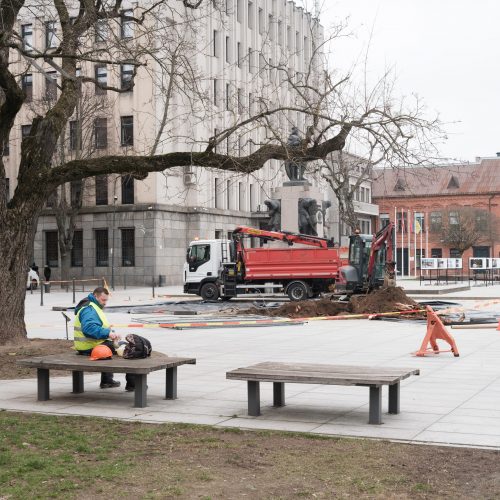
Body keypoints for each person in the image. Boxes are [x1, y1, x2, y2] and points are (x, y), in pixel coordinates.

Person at [74, 287, 135, 391]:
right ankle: (134, 384)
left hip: (88, 345)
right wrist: (108, 333)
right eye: (103, 300)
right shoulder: (90, 309)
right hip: (90, 346)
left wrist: (110, 333)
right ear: (95, 296)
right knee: (129, 348)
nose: (105, 303)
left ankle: (107, 381)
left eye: (106, 300)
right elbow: (89, 329)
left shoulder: (92, 307)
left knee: (110, 346)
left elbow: (96, 326)